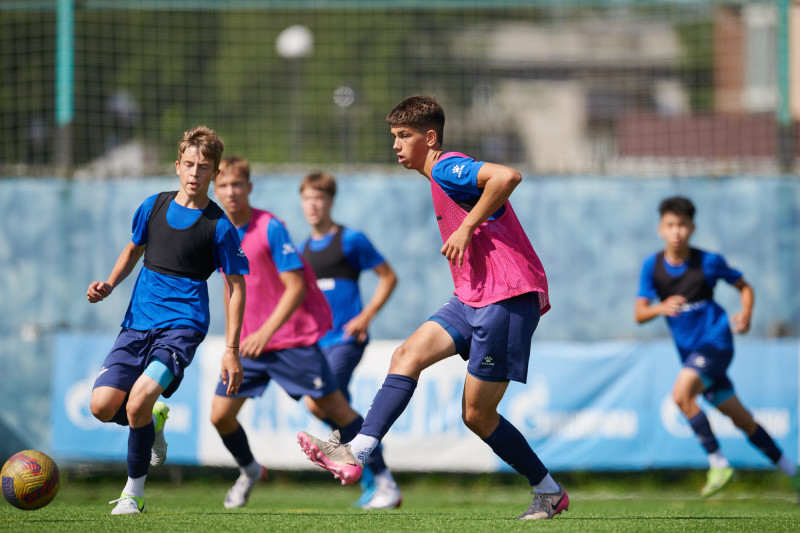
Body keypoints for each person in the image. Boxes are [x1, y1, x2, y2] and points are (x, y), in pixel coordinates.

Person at [297, 95, 567, 520]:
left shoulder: (446, 166)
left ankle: (548, 491)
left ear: (430, 137)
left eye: (404, 135)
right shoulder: (437, 178)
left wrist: (467, 226)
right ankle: (357, 452)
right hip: (471, 297)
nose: (395, 145)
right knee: (406, 356)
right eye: (394, 136)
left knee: (477, 415)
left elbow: (507, 176)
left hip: (506, 297)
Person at [210, 156, 400, 510]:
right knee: (220, 415)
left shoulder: (277, 228)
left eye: (237, 184)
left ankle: (380, 478)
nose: (231, 191)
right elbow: (230, 289)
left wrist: (365, 317)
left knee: (331, 407)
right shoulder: (223, 233)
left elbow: (297, 288)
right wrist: (230, 345)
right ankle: (251, 470)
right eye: (223, 185)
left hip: (297, 341)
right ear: (214, 190)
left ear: (249, 188)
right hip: (251, 346)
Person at [87, 126, 247, 515]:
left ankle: (133, 495)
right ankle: (153, 419)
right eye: (189, 164)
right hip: (136, 325)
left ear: (215, 173)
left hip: (182, 328)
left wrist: (232, 349)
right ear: (177, 166)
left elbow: (237, 287)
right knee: (102, 407)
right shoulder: (153, 206)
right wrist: (109, 283)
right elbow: (133, 250)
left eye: (204, 167)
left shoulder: (219, 226)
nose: (195, 173)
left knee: (138, 400)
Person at [635, 196, 800, 498]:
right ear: (660, 229)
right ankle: (792, 470)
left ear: (692, 228)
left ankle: (719, 463)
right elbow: (639, 314)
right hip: (691, 355)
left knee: (681, 395)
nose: (676, 231)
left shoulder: (709, 262)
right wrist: (661, 307)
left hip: (716, 343)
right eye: (670, 225)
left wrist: (746, 313)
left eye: (682, 225)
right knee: (742, 419)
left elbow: (744, 287)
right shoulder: (652, 266)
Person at [297, 171, 399, 508]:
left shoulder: (350, 240)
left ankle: (382, 478)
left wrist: (365, 317)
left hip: (346, 340)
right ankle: (373, 476)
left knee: (318, 402)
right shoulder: (302, 250)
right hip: (319, 345)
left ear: (330, 201)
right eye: (307, 198)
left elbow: (388, 277)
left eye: (319, 197)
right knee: (335, 409)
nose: (313, 205)